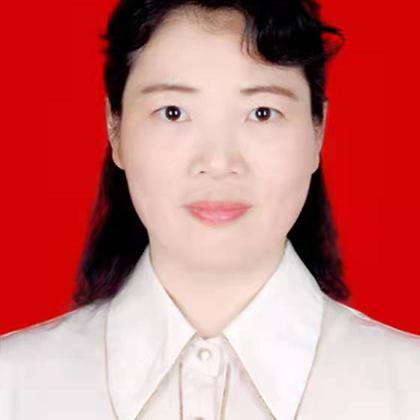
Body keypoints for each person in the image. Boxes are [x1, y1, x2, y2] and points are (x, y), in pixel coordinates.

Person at [1, 0, 419, 419]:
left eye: (261, 113)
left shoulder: (408, 387)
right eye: (173, 112)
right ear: (115, 127)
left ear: (318, 132)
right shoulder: (14, 385)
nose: (218, 162)